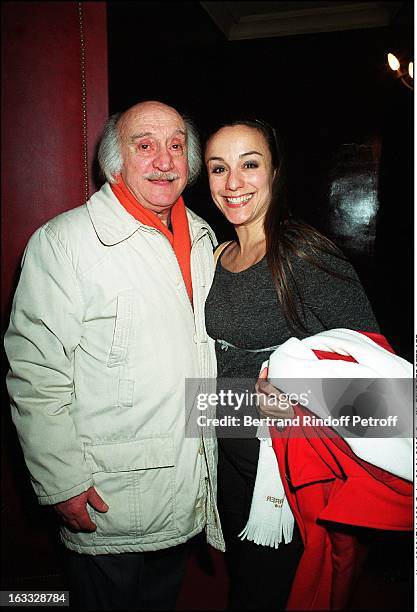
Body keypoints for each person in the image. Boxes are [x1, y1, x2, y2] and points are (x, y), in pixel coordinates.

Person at [4, 100, 224, 610]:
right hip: (106, 497)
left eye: (176, 146)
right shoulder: (65, 242)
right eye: (144, 146)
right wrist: (61, 481)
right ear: (115, 161)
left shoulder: (205, 239)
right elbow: (35, 372)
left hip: (185, 482)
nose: (165, 161)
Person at [203, 119, 380, 610]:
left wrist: (305, 392)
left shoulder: (300, 253)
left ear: (275, 173)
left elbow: (388, 387)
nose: (233, 182)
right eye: (219, 168)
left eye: (250, 165)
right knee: (247, 587)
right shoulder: (218, 257)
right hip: (229, 468)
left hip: (285, 477)